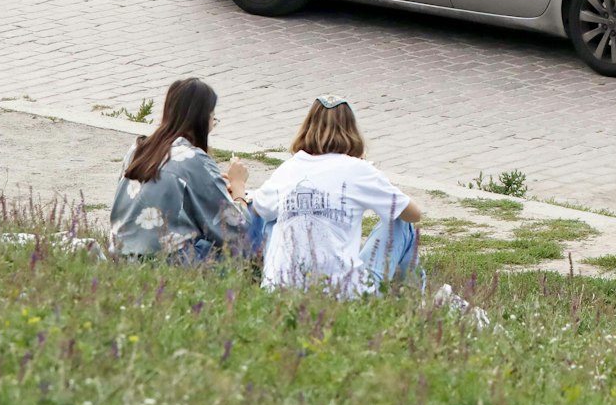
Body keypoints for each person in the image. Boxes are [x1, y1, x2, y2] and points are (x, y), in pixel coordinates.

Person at [250, 96, 422, 294]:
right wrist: (372, 177)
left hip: (281, 291)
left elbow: (258, 207)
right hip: (342, 293)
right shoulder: (358, 169)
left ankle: (275, 277)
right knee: (401, 222)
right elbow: (414, 213)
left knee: (272, 218)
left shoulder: (289, 168)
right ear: (352, 130)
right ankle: (416, 300)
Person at [109, 77, 251, 260]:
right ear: (203, 119)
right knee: (238, 237)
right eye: (213, 118)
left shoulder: (138, 149)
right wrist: (238, 187)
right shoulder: (194, 159)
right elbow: (237, 231)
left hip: (121, 258)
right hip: (165, 265)